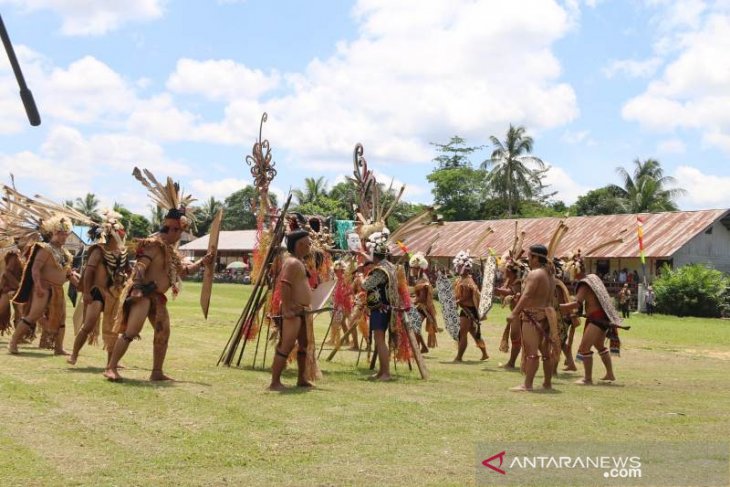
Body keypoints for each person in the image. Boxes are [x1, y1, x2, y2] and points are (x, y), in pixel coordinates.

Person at [104, 168, 212, 381]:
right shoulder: (153, 245)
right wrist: (136, 283)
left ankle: (157, 372)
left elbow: (183, 271)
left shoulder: (171, 250)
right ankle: (111, 367)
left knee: (163, 333)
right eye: (180, 232)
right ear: (172, 228)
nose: (180, 236)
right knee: (131, 331)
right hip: (143, 294)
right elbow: (141, 265)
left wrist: (203, 262)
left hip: (157, 297)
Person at [8, 216, 80, 355]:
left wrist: (78, 284)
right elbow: (35, 269)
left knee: (62, 318)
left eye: (65, 234)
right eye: (60, 233)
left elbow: (68, 273)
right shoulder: (45, 249)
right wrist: (39, 286)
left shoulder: (65, 253)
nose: (63, 237)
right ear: (53, 232)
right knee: (33, 316)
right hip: (43, 288)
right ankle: (13, 342)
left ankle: (58, 348)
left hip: (58, 290)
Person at [68, 211, 131, 366]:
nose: (121, 237)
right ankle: (74, 355)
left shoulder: (122, 252)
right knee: (88, 325)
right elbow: (89, 271)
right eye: (119, 234)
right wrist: (87, 292)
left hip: (114, 293)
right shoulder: (98, 250)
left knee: (113, 328)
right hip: (97, 291)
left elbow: (129, 270)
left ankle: (111, 362)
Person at [507, 244, 561, 392]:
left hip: (533, 316)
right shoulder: (549, 275)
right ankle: (547, 383)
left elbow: (528, 295)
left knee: (531, 352)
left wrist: (514, 313)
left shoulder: (535, 274)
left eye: (529, 257)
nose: (528, 260)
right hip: (546, 316)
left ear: (536, 258)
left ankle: (528, 384)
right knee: (545, 353)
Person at [269, 229, 316, 391]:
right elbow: (285, 284)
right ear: (300, 245)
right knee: (286, 345)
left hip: (302, 310)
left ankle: (302, 379)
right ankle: (275, 382)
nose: (310, 246)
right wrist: (288, 308)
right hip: (293, 310)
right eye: (308, 243)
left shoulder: (298, 262)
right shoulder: (292, 263)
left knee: (304, 345)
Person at [560, 274, 623, 385]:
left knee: (584, 347)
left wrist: (558, 307)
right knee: (599, 345)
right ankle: (610, 374)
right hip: (600, 318)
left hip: (596, 319)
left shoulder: (584, 285)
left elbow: (577, 303)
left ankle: (587, 379)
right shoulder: (593, 282)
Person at [361, 232, 399, 381]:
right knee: (380, 339)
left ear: (374, 255)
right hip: (388, 308)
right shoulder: (391, 266)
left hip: (380, 308)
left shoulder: (380, 270)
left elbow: (366, 285)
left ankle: (386, 373)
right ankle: (382, 371)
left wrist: (360, 276)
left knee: (380, 340)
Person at [452, 250, 488, 362]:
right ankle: (485, 354)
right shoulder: (462, 280)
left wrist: (456, 301)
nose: (457, 268)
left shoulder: (467, 281)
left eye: (459, 266)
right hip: (468, 310)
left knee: (462, 333)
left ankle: (459, 357)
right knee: (474, 333)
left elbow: (466, 297)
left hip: (468, 310)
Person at [410, 251, 439, 350]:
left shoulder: (422, 280)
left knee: (414, 327)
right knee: (415, 326)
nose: (411, 270)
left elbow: (422, 298)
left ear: (418, 269)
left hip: (423, 308)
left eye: (413, 268)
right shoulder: (420, 279)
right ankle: (423, 348)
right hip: (420, 307)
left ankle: (417, 349)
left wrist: (412, 301)